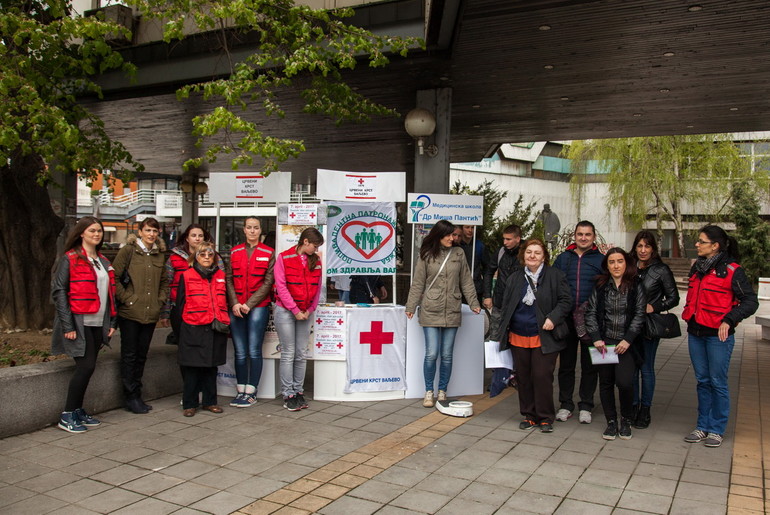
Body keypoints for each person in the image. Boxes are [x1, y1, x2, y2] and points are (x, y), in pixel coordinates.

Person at [682, 225, 758, 448]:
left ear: (714, 246)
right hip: (695, 332)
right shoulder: (697, 268)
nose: (696, 244)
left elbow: (750, 302)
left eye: (701, 241)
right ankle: (702, 426)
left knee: (717, 381)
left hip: (718, 336)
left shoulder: (733, 270)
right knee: (702, 381)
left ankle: (716, 429)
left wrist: (729, 319)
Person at [491, 239, 572, 432]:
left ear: (544, 256)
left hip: (544, 335)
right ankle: (529, 415)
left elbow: (566, 301)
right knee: (523, 377)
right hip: (518, 335)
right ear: (523, 255)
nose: (532, 256)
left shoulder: (555, 275)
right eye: (529, 252)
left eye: (537, 252)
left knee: (542, 376)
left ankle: (545, 417)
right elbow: (505, 305)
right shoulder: (515, 278)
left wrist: (553, 318)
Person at [405, 220, 482, 407]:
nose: (452, 238)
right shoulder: (426, 254)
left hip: (452, 309)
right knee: (432, 353)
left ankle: (442, 391)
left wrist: (473, 302)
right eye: (448, 235)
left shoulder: (459, 253)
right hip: (431, 308)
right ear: (438, 235)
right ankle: (428, 391)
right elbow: (418, 283)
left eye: (454, 235)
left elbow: (466, 281)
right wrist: (411, 306)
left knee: (447, 354)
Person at [51, 216, 117, 433]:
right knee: (85, 366)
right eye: (92, 231)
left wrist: (111, 322)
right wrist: (67, 326)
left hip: (98, 323)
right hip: (79, 323)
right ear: (81, 233)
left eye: (99, 231)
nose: (96, 234)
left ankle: (77, 409)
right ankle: (67, 414)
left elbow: (109, 296)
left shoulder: (103, 261)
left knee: (88, 368)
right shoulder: (69, 259)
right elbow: (59, 292)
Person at [585, 247, 646, 441]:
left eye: (619, 261)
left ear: (626, 263)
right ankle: (611, 422)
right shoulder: (601, 286)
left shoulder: (636, 286)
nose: (616, 265)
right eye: (611, 262)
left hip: (626, 343)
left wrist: (628, 339)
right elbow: (591, 312)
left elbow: (639, 314)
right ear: (607, 265)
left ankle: (626, 420)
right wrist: (596, 337)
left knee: (625, 382)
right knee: (605, 383)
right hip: (604, 343)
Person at [111, 218, 169, 414]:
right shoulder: (129, 250)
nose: (151, 234)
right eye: (147, 230)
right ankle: (130, 396)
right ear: (140, 231)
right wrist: (128, 298)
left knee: (142, 355)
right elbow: (115, 277)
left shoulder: (160, 254)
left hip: (150, 312)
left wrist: (160, 300)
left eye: (154, 230)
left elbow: (164, 282)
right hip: (130, 312)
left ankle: (137, 394)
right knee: (129, 355)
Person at [553, 220, 603, 424]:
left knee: (590, 365)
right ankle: (565, 404)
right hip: (566, 319)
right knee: (566, 365)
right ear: (574, 236)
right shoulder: (563, 259)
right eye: (580, 234)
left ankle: (586, 405)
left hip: (590, 321)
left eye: (587, 234)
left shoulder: (601, 260)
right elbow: (553, 286)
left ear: (593, 237)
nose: (583, 238)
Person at [171, 241, 229, 417]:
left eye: (210, 254)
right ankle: (190, 403)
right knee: (192, 368)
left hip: (215, 326)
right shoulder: (187, 275)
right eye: (202, 254)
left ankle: (210, 402)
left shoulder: (220, 275)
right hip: (194, 326)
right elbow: (180, 304)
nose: (206, 258)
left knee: (211, 368)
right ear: (196, 256)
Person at [630, 230, 680, 429]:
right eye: (640, 246)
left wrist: (654, 306)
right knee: (631, 368)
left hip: (648, 325)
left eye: (647, 246)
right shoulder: (629, 265)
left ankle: (645, 409)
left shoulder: (661, 269)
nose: (643, 250)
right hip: (628, 325)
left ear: (653, 249)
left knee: (646, 368)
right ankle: (632, 406)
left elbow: (674, 297)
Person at [225, 216, 275, 407]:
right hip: (236, 307)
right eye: (249, 227)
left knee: (254, 350)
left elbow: (268, 282)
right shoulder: (234, 251)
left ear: (260, 230)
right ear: (244, 230)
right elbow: (228, 279)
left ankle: (252, 391)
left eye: (255, 227)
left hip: (258, 307)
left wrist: (250, 304)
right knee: (239, 351)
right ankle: (240, 390)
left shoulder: (268, 252)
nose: (252, 231)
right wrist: (235, 303)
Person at [274, 227, 324, 412]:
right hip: (286, 311)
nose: (316, 249)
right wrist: (295, 310)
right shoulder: (284, 257)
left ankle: (298, 390)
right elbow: (281, 286)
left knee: (301, 353)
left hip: (305, 311)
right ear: (305, 242)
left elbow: (318, 288)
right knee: (289, 352)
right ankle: (289, 394)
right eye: (315, 245)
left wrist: (310, 309)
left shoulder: (316, 261)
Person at [161, 224, 221, 325]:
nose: (197, 239)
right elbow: (167, 285)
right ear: (187, 238)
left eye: (200, 236)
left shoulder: (214, 257)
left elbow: (221, 281)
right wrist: (165, 312)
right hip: (179, 306)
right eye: (193, 235)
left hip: (207, 308)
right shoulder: (174, 258)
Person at [459, 225, 488, 303]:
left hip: (475, 289)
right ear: (462, 228)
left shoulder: (479, 246)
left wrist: (487, 293)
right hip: (458, 290)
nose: (470, 230)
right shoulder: (456, 245)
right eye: (467, 227)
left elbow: (487, 269)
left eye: (472, 227)